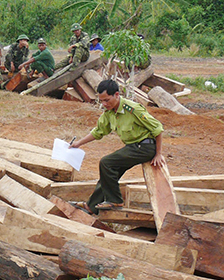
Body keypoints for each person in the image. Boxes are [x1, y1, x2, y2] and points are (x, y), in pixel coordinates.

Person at [69, 79, 165, 214]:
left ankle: (115, 201)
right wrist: (78, 143)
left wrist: (158, 153)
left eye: (107, 100)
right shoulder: (109, 113)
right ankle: (91, 206)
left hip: (145, 147)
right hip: (132, 147)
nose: (104, 104)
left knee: (106, 162)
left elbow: (158, 129)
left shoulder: (132, 109)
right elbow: (98, 131)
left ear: (117, 95)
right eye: (101, 101)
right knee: (108, 175)